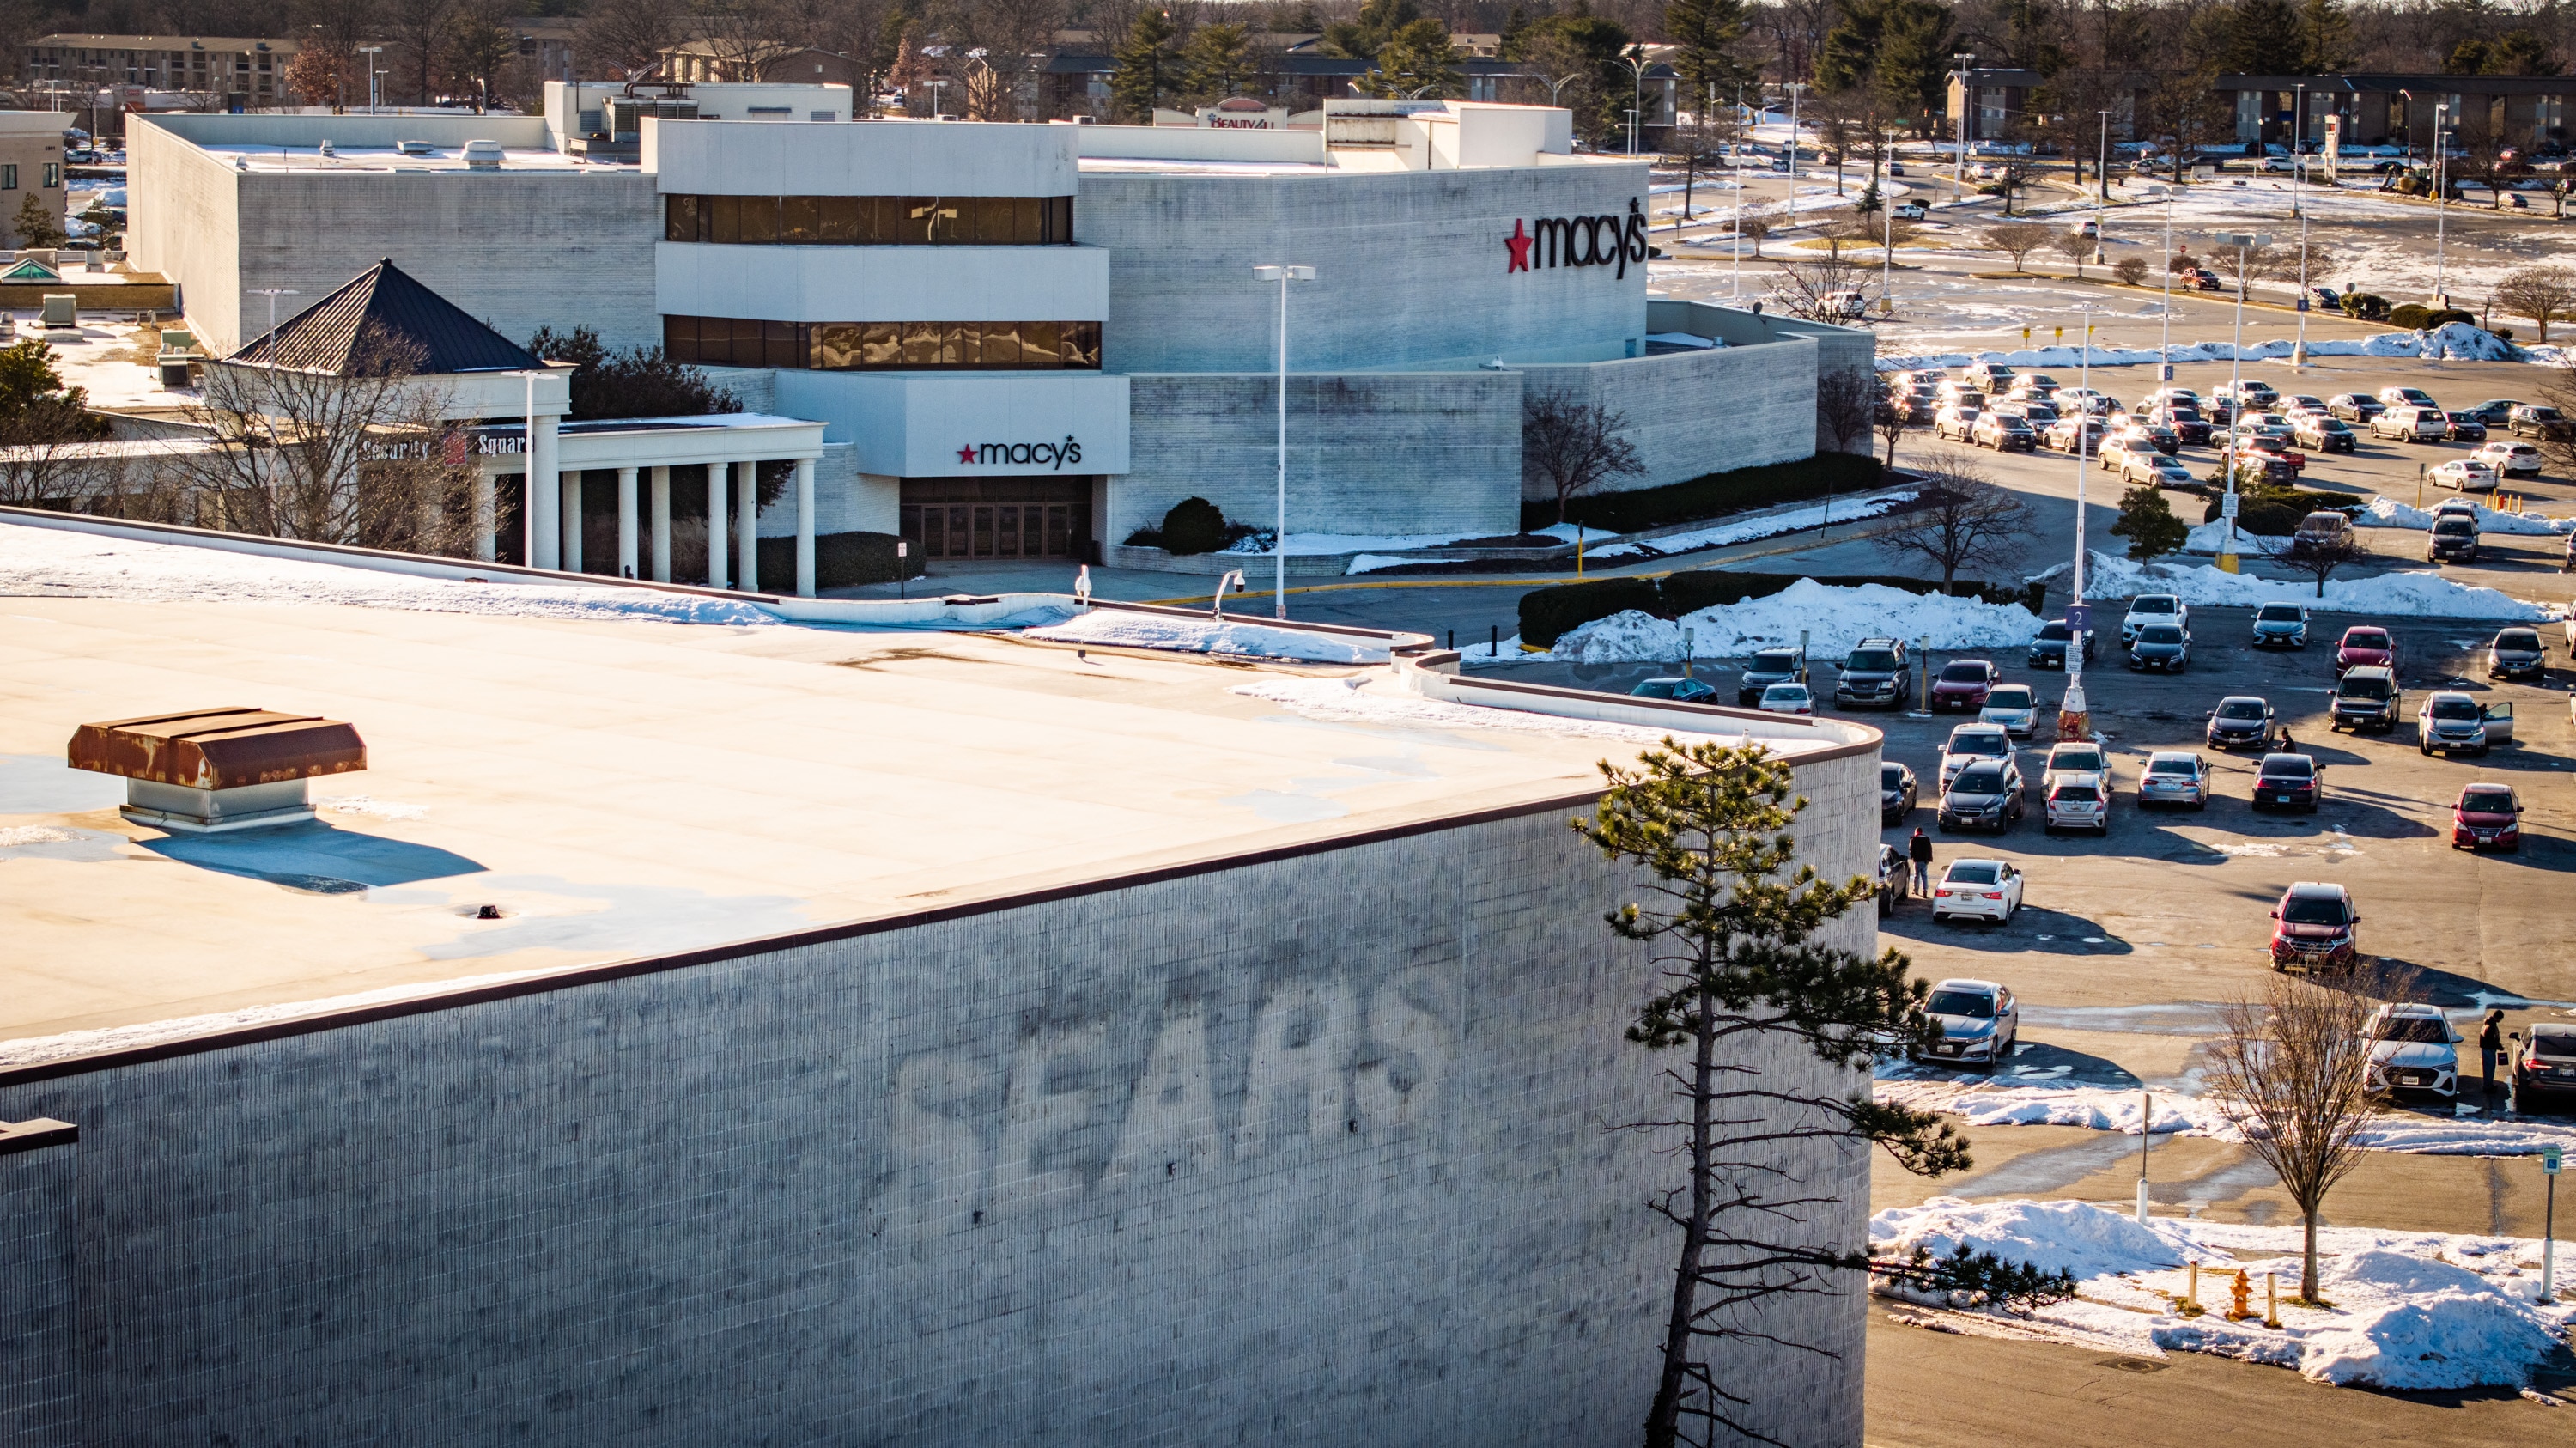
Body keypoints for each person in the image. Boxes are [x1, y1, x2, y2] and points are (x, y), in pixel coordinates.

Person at [2478, 1008, 2506, 1110]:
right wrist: (2498, 1046)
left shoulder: (2489, 1024)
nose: (2500, 1020)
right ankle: (2487, 1087)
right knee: (2489, 1067)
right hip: (2488, 1049)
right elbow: (2490, 1040)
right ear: (2498, 1017)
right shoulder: (2491, 1026)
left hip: (2488, 1049)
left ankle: (2489, 1085)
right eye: (2500, 1019)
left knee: (2489, 1067)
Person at [1908, 827, 1933, 894]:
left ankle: (1916, 890)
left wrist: (1913, 858)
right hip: (1924, 861)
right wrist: (1929, 859)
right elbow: (1930, 849)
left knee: (1916, 876)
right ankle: (1925, 890)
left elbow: (1911, 850)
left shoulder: (1913, 839)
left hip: (1917, 860)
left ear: (1916, 832)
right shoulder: (1926, 839)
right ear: (1921, 832)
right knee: (1924, 875)